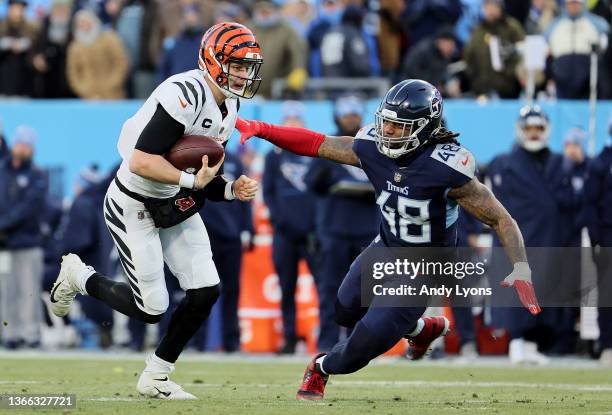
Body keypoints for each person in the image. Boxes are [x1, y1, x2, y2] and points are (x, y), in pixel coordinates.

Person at [236, 79, 540, 400]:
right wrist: (262, 128)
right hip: (386, 249)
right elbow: (317, 143)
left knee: (360, 348)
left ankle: (320, 368)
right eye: (386, 122)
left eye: (398, 126)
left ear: (424, 127)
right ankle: (422, 329)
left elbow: (500, 219)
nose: (388, 131)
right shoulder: (373, 147)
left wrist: (520, 266)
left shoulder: (447, 170)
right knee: (344, 311)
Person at [49, 22, 261, 399]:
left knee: (205, 290)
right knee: (151, 308)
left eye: (248, 67)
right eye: (237, 65)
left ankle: (156, 376)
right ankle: (79, 277)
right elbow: (142, 161)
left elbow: (204, 171)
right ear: (212, 61)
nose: (244, 74)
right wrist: (193, 183)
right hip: (135, 201)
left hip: (175, 202)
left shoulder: (230, 106)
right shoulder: (184, 93)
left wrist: (229, 188)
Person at [487, 105, 571, 364]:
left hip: (549, 239)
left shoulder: (559, 163)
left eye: (538, 128)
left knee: (546, 289)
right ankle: (517, 341)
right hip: (519, 238)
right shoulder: (504, 163)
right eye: (529, 128)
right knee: (517, 288)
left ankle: (533, 342)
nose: (534, 133)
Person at [304, 95, 379, 352]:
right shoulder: (328, 146)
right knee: (330, 291)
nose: (351, 119)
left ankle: (360, 345)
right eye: (346, 114)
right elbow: (311, 184)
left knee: (365, 294)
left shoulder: (375, 146)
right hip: (334, 231)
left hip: (367, 231)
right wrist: (325, 169)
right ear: (337, 117)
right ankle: (326, 343)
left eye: (355, 114)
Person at [262, 101, 318, 354]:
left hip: (312, 233)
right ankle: (289, 337)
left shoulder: (315, 154)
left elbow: (320, 194)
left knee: (325, 286)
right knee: (286, 288)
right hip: (285, 233)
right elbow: (269, 193)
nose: (293, 125)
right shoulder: (273, 157)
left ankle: (328, 335)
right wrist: (280, 221)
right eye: (289, 121)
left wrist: (316, 226)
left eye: (297, 121)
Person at [199, 150, 255, 352]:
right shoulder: (197, 155)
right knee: (201, 289)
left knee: (232, 290)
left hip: (231, 235)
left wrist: (248, 229)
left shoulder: (234, 160)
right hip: (203, 235)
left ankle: (231, 341)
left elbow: (246, 196)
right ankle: (197, 340)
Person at [0, 126, 47, 349]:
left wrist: (3, 225)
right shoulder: (3, 170)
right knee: (6, 289)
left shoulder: (37, 175)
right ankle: (10, 334)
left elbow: (28, 208)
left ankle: (31, 334)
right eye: (20, 143)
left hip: (28, 243)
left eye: (27, 145)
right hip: (5, 244)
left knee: (28, 290)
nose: (22, 148)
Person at [584, 118, 612, 365]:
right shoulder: (601, 163)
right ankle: (608, 344)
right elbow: (590, 204)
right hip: (608, 236)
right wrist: (596, 239)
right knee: (607, 294)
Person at [544, 0, 609, 99]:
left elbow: (605, 49)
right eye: (571, 3)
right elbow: (546, 52)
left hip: (588, 76)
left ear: (583, 4)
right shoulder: (553, 26)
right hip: (561, 77)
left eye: (577, 3)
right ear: (566, 5)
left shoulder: (598, 25)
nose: (574, 6)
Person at [464, 0, 525, 99]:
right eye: (487, 6)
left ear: (500, 7)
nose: (490, 10)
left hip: (509, 89)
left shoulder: (512, 28)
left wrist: (511, 75)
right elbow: (469, 57)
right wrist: (475, 81)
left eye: (494, 6)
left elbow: (522, 52)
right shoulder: (478, 31)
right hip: (482, 90)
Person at [66, 10, 130, 99]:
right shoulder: (75, 47)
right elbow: (72, 72)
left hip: (113, 95)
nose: (85, 26)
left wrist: (113, 84)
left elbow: (121, 62)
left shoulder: (110, 39)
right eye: (81, 24)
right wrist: (83, 89)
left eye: (87, 22)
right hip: (88, 96)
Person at [0, 0, 38, 96]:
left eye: (20, 8)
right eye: (15, 8)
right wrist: (6, 44)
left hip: (23, 79)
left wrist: (25, 45)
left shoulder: (31, 27)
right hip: (3, 77)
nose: (18, 11)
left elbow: (36, 45)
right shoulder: (2, 26)